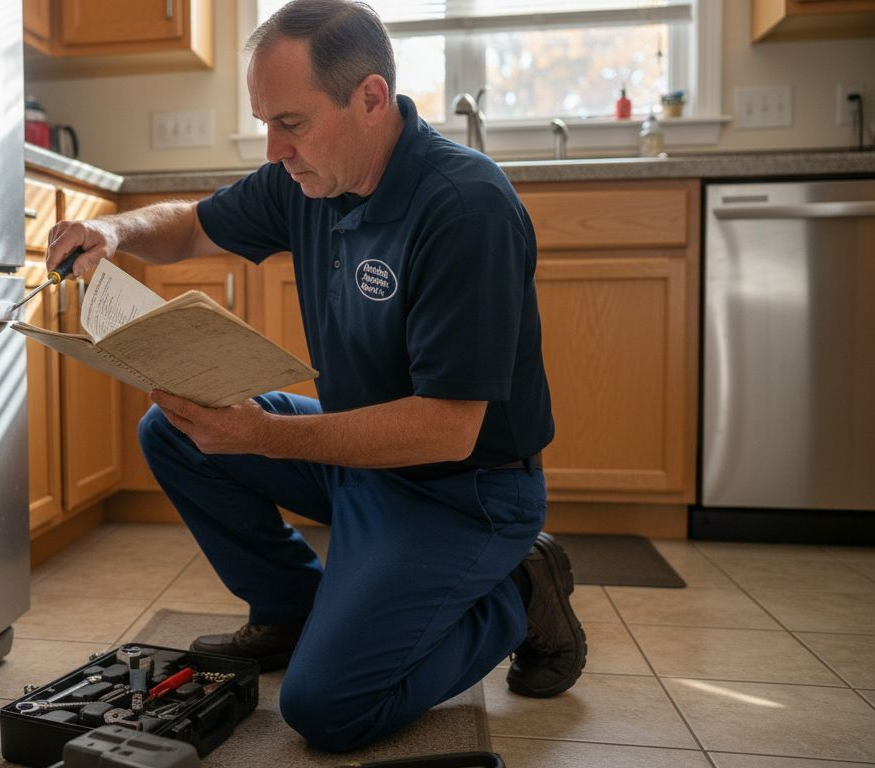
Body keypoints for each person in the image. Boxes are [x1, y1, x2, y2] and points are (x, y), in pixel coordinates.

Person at [43, 0, 585, 752]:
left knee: (329, 710)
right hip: (357, 461)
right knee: (176, 430)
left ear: (369, 98)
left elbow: (447, 428)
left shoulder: (463, 208)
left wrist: (265, 435)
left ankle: (523, 593)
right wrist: (113, 229)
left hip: (463, 491)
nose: (273, 149)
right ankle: (293, 610)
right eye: (265, 121)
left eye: (289, 123)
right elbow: (194, 224)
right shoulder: (308, 181)